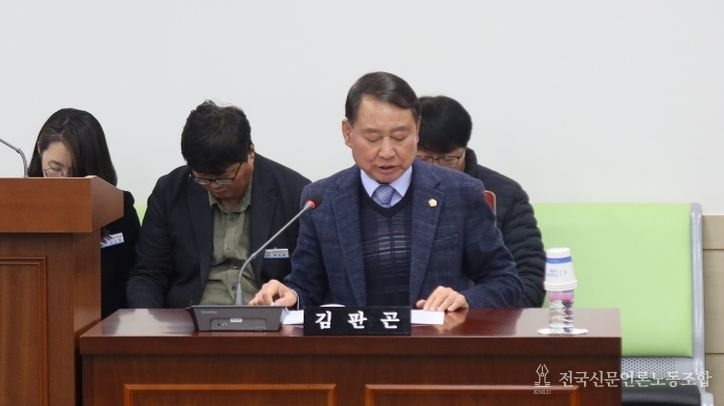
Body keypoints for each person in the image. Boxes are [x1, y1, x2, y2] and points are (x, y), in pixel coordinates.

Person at [251, 72, 522, 311]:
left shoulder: (460, 193)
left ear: (417, 130)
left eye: (400, 137)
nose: (387, 151)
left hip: (437, 345)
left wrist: (466, 299)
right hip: (354, 348)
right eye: (372, 138)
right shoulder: (322, 200)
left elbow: (506, 282)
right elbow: (307, 287)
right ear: (347, 132)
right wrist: (290, 296)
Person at [126, 100, 310, 308]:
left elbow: (309, 280)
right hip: (187, 320)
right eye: (203, 178)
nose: (214, 186)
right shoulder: (170, 191)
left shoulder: (296, 193)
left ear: (250, 153)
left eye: (224, 177)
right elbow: (148, 274)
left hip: (268, 319)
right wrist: (146, 321)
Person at [416, 95, 546, 307]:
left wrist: (472, 304)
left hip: (479, 322)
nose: (436, 170)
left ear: (464, 150)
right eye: (424, 159)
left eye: (448, 160)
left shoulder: (505, 194)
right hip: (409, 320)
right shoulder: (391, 192)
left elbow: (530, 281)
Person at [27, 108, 140, 318]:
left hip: (103, 326)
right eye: (55, 169)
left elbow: (133, 280)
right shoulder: (19, 208)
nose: (64, 182)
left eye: (76, 174)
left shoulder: (119, 209)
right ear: (40, 149)